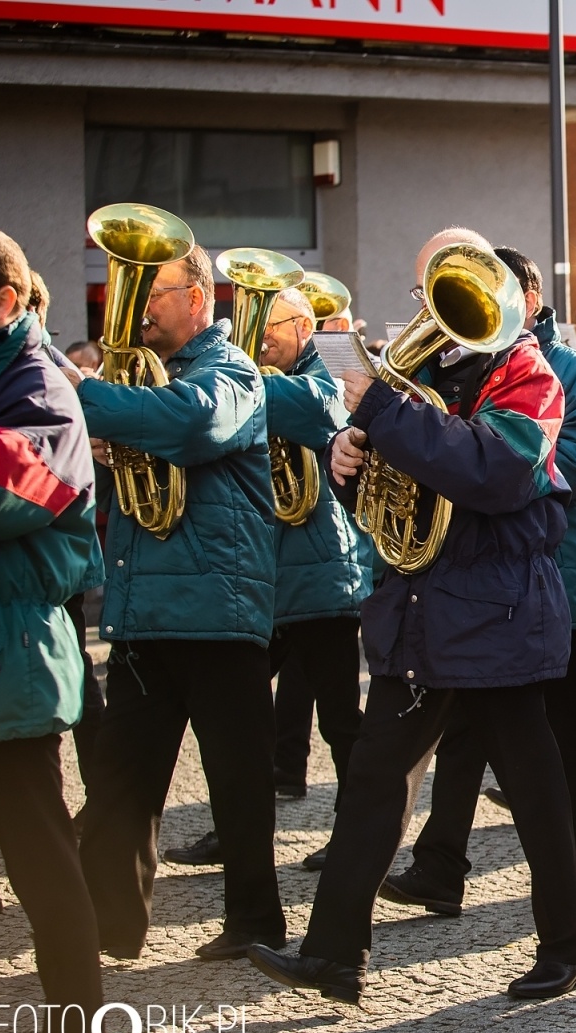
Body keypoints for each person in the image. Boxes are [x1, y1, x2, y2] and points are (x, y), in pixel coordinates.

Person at [247, 228, 576, 1003]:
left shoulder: (528, 373)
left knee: (534, 790)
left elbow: (494, 472)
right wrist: (348, 461)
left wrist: (383, 414)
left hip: (499, 613)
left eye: (449, 287)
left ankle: (567, 949)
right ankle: (334, 955)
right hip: (423, 611)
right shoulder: (420, 378)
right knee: (374, 781)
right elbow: (393, 502)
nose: (433, 307)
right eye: (425, 289)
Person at [383, 246, 576, 914]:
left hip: (557, 576)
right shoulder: (460, 363)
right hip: (478, 581)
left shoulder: (574, 371)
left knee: (571, 731)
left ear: (530, 301)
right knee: (464, 734)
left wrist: (491, 454)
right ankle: (440, 864)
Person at [68, 242, 285, 962]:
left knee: (238, 784)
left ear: (196, 298)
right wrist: (115, 443)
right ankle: (108, 929)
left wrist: (86, 396)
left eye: (150, 293)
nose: (136, 311)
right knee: (118, 783)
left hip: (219, 612)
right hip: (145, 611)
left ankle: (256, 922)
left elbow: (194, 425)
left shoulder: (233, 369)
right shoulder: (143, 382)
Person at [163, 287, 368, 873]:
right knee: (242, 719)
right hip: (268, 576)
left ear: (304, 326)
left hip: (322, 577)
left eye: (270, 326)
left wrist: (232, 380)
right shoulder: (261, 372)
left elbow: (320, 411)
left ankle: (357, 836)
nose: (259, 339)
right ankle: (237, 832)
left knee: (341, 721)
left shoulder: (331, 369)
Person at [0, 225, 107, 1033]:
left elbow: (22, 486)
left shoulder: (41, 384)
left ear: (2, 301)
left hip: (11, 661)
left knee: (45, 872)